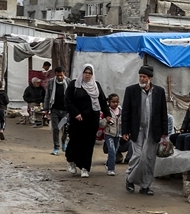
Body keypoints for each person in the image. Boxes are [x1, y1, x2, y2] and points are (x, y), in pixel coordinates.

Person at [120, 65, 168, 195]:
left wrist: (165, 132)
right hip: (137, 129)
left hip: (153, 130)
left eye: (144, 77)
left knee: (149, 159)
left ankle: (145, 186)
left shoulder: (159, 91)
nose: (142, 79)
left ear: (150, 78)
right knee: (138, 156)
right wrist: (124, 131)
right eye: (140, 76)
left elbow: (163, 112)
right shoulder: (131, 91)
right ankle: (130, 179)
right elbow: (126, 112)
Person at [65, 64, 109, 179]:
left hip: (92, 119)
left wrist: (108, 114)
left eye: (90, 73)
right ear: (82, 73)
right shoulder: (74, 85)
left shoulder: (96, 85)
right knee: (75, 141)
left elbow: (102, 101)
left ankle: (85, 167)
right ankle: (71, 160)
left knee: (89, 143)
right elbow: (68, 101)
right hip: (78, 120)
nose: (87, 75)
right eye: (85, 72)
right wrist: (75, 113)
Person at [45, 66, 70, 155]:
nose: (60, 77)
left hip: (65, 110)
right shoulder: (51, 82)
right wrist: (46, 108)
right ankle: (56, 147)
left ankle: (64, 142)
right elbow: (48, 96)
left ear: (64, 74)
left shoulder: (69, 82)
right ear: (55, 74)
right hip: (55, 109)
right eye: (58, 75)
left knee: (66, 129)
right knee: (56, 129)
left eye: (61, 75)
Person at [104, 93, 123, 176]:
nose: (115, 104)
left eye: (116, 102)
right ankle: (111, 169)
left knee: (114, 151)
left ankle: (108, 164)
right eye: (113, 102)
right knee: (111, 150)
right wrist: (106, 121)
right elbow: (100, 123)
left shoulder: (121, 110)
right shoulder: (106, 111)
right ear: (109, 102)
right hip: (109, 134)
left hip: (118, 135)